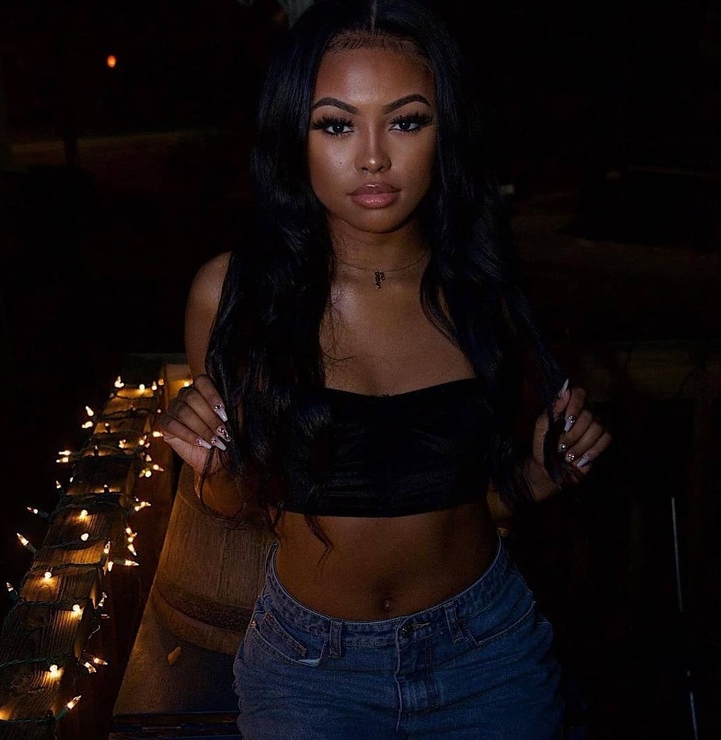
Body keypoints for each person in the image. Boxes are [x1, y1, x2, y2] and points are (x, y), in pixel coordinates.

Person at [157, 0, 612, 736]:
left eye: (406, 121)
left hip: (488, 653)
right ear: (294, 135)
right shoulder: (233, 294)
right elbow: (239, 502)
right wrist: (213, 466)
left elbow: (476, 509)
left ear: (445, 131)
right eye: (337, 125)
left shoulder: (484, 291)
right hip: (310, 672)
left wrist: (545, 473)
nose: (373, 157)